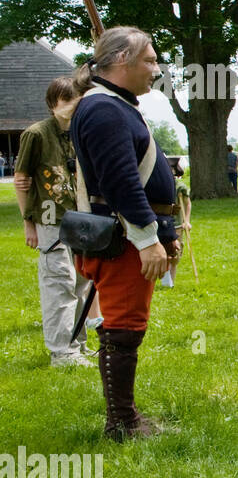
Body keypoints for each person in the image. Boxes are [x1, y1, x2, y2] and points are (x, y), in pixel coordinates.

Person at [68, 26, 180, 442]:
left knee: (124, 326)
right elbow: (120, 183)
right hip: (124, 238)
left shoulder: (116, 106)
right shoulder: (103, 110)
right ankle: (122, 424)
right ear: (121, 61)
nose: (155, 68)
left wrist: (166, 231)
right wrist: (147, 238)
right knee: (123, 328)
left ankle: (125, 416)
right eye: (149, 60)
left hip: (133, 233)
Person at [14, 76, 93, 367]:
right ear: (52, 104)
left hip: (79, 219)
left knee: (81, 283)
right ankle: (61, 352)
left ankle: (77, 346)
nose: (71, 106)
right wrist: (28, 223)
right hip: (49, 220)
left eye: (75, 99)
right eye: (65, 100)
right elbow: (21, 181)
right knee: (59, 282)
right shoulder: (35, 134)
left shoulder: (78, 134)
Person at [160, 157, 194, 285]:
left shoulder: (180, 187)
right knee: (163, 251)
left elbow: (187, 204)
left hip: (178, 224)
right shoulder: (161, 184)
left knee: (176, 251)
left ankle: (171, 281)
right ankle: (165, 279)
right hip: (163, 222)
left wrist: (187, 220)